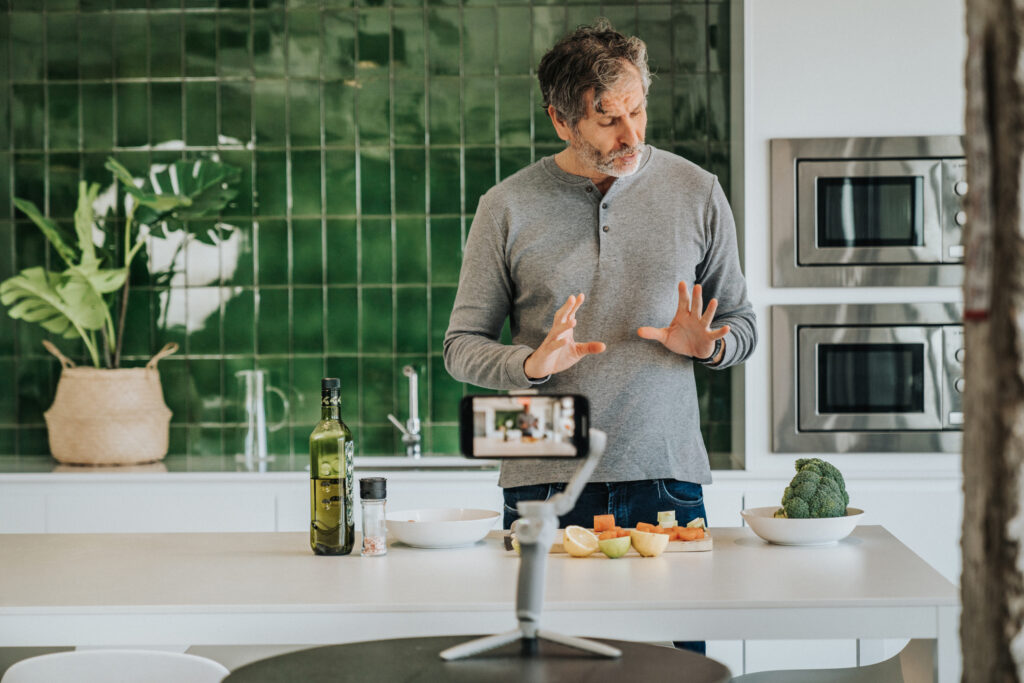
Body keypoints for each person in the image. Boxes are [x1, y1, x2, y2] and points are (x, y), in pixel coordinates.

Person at [444, 16, 755, 594]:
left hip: (665, 473)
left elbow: (743, 324)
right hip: (543, 476)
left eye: (637, 110)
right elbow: (460, 348)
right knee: (549, 659)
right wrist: (530, 364)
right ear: (561, 120)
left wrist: (712, 347)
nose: (631, 135)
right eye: (609, 120)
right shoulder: (506, 206)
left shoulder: (698, 191)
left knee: (673, 663)